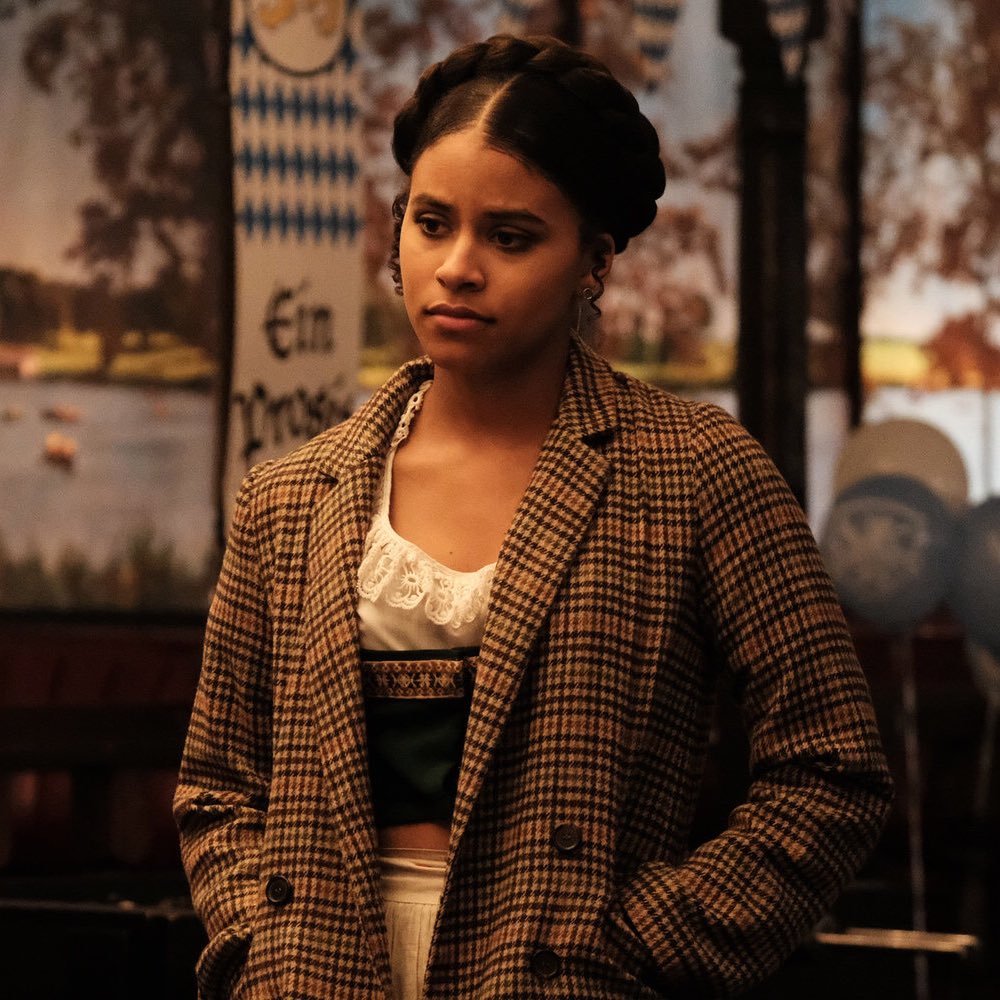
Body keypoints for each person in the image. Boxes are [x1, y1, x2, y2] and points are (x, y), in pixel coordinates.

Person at [174, 34, 893, 1000]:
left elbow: (833, 767)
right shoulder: (291, 494)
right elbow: (217, 782)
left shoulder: (692, 471)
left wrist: (639, 946)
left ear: (594, 260)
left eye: (509, 237)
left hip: (555, 975)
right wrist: (261, 945)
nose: (457, 267)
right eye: (432, 223)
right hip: (318, 975)